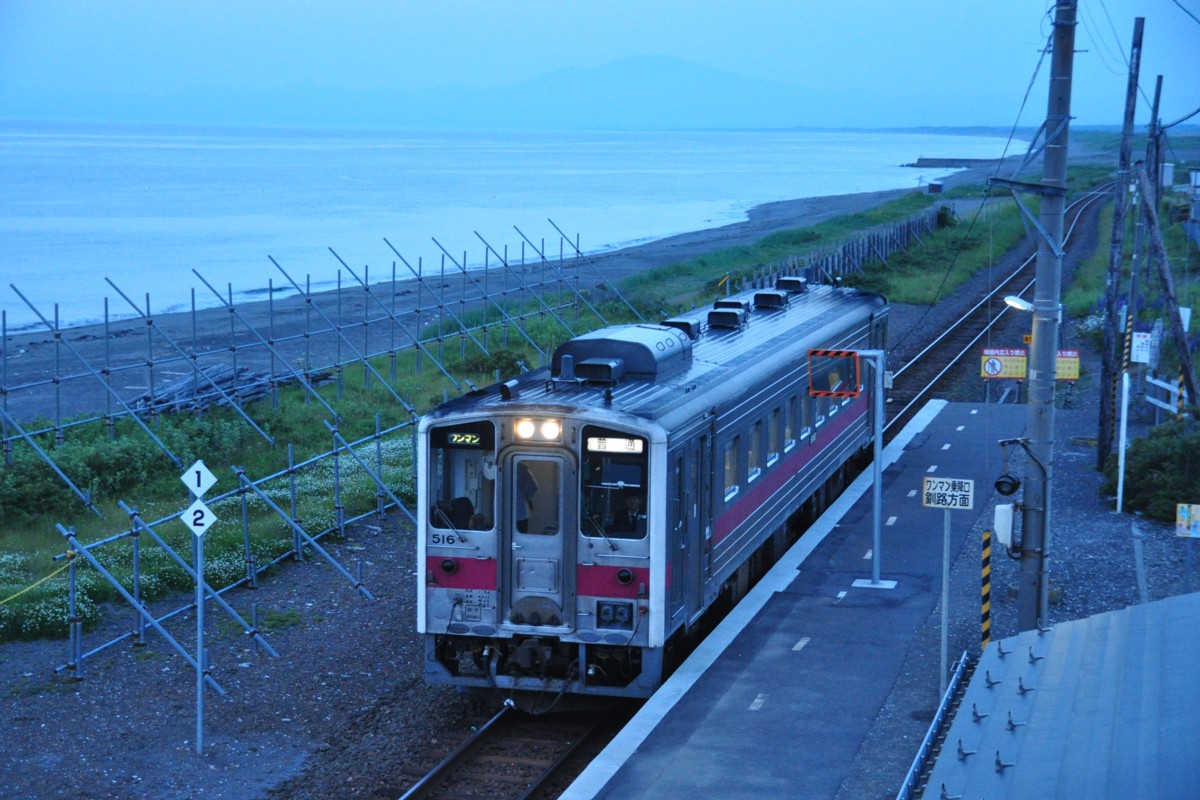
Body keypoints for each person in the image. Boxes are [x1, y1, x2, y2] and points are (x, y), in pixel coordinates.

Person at [516, 462, 538, 533]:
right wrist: (526, 497)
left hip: (501, 512)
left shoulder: (499, 462)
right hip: (520, 511)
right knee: (521, 540)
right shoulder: (522, 467)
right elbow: (533, 486)